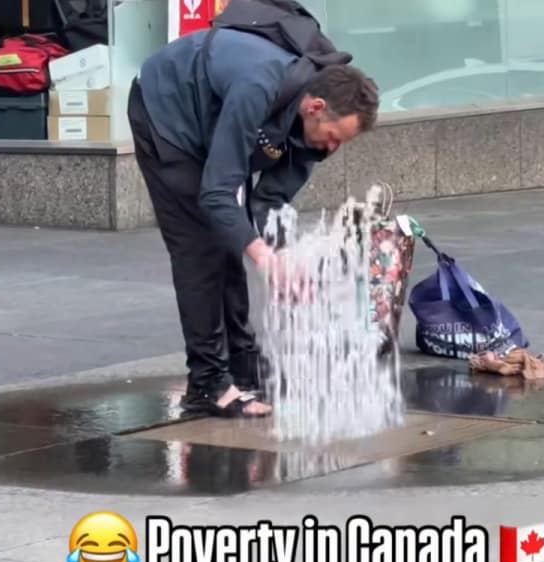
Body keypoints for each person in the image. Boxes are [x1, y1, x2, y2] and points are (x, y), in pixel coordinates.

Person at [128, 24, 379, 419]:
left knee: (232, 234)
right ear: (315, 108)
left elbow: (267, 203)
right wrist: (263, 256)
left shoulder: (309, 132)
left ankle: (244, 365)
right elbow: (215, 194)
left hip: (216, 122)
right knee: (200, 247)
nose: (332, 148)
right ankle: (208, 384)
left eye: (340, 143)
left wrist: (283, 258)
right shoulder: (258, 87)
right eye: (332, 136)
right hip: (167, 110)